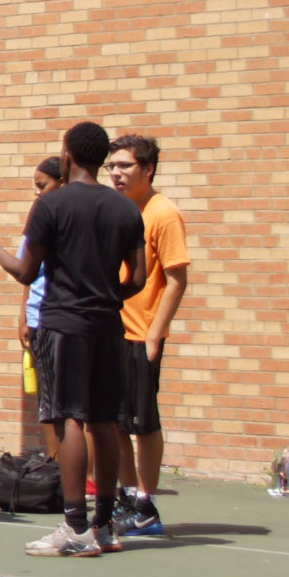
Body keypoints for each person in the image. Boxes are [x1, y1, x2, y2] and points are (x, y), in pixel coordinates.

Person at [0, 122, 146, 558]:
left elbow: (25, 272)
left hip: (63, 326)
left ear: (67, 156)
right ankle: (104, 526)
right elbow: (138, 278)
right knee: (103, 421)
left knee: (69, 417)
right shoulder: (126, 209)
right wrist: (105, 296)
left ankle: (75, 528)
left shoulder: (50, 205)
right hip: (108, 326)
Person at [105, 134, 190, 539]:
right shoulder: (118, 211)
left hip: (142, 336)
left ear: (149, 169)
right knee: (115, 423)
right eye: (111, 166)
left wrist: (155, 333)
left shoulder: (163, 213)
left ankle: (146, 504)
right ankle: (126, 498)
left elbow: (177, 279)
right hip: (112, 331)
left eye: (125, 166)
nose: (116, 174)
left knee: (143, 422)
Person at [20, 157, 65, 462]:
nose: (37, 192)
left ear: (62, 183)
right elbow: (27, 271)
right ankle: (56, 462)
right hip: (38, 318)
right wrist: (23, 315)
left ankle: (79, 471)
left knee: (67, 402)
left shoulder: (69, 217)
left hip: (61, 318)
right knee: (46, 400)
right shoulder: (37, 216)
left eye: (42, 185)